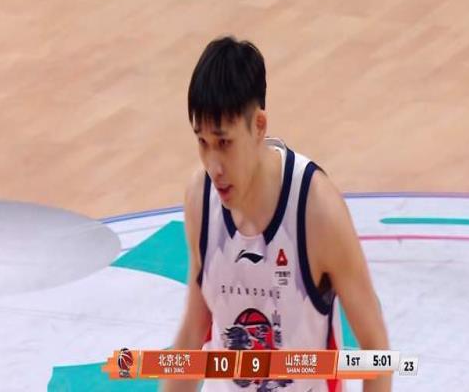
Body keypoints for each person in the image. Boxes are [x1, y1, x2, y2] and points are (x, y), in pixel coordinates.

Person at [160, 36, 390, 392]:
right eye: (202, 143)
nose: (214, 166)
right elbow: (193, 331)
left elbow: (375, 347)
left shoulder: (317, 210)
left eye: (224, 143)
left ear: (259, 126)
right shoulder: (200, 199)